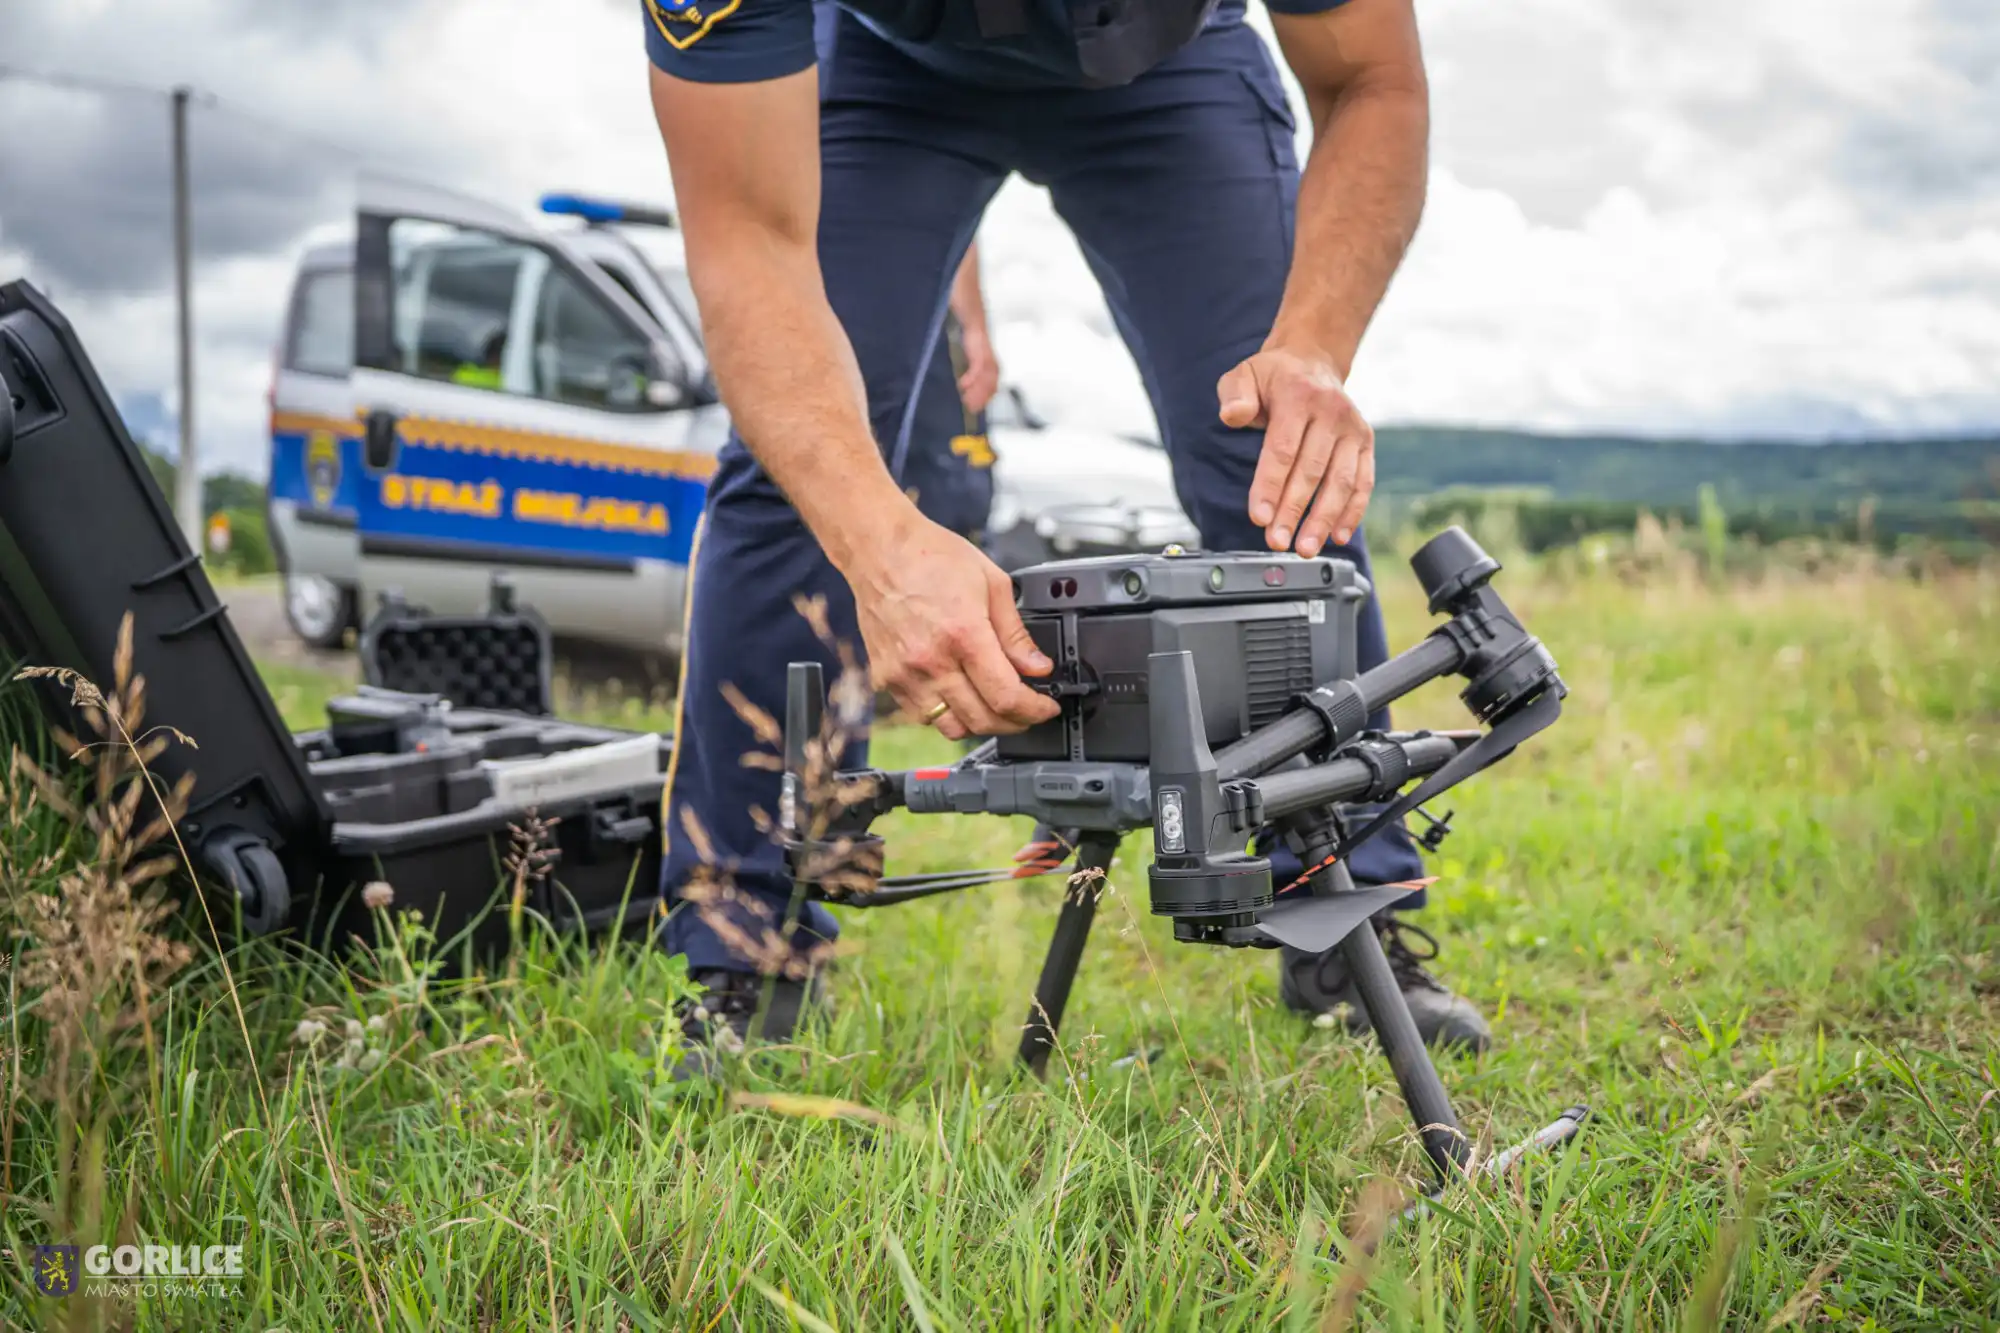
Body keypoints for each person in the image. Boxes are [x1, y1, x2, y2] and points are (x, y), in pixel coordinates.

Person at [647, 0, 1490, 1068]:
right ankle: (749, 947)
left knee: (1278, 461)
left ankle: (1343, 916)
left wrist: (1311, 349)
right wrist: (879, 542)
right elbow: (747, 245)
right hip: (885, 68)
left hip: (1169, 67)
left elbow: (1371, 81)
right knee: (794, 480)